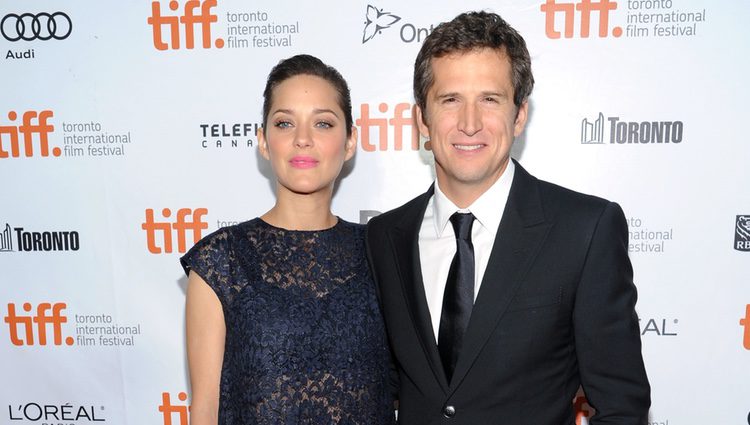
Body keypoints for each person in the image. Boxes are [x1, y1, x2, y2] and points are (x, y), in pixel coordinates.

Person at [366, 11, 650, 424]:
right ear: (421, 120)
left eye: (489, 99)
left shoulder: (584, 230)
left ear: (519, 115)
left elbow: (621, 407)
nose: (469, 123)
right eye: (450, 100)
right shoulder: (384, 237)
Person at [182, 54, 394, 425]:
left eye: (323, 123)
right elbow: (205, 411)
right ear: (263, 142)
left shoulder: (382, 253)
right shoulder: (222, 260)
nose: (303, 140)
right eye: (284, 123)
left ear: (349, 143)